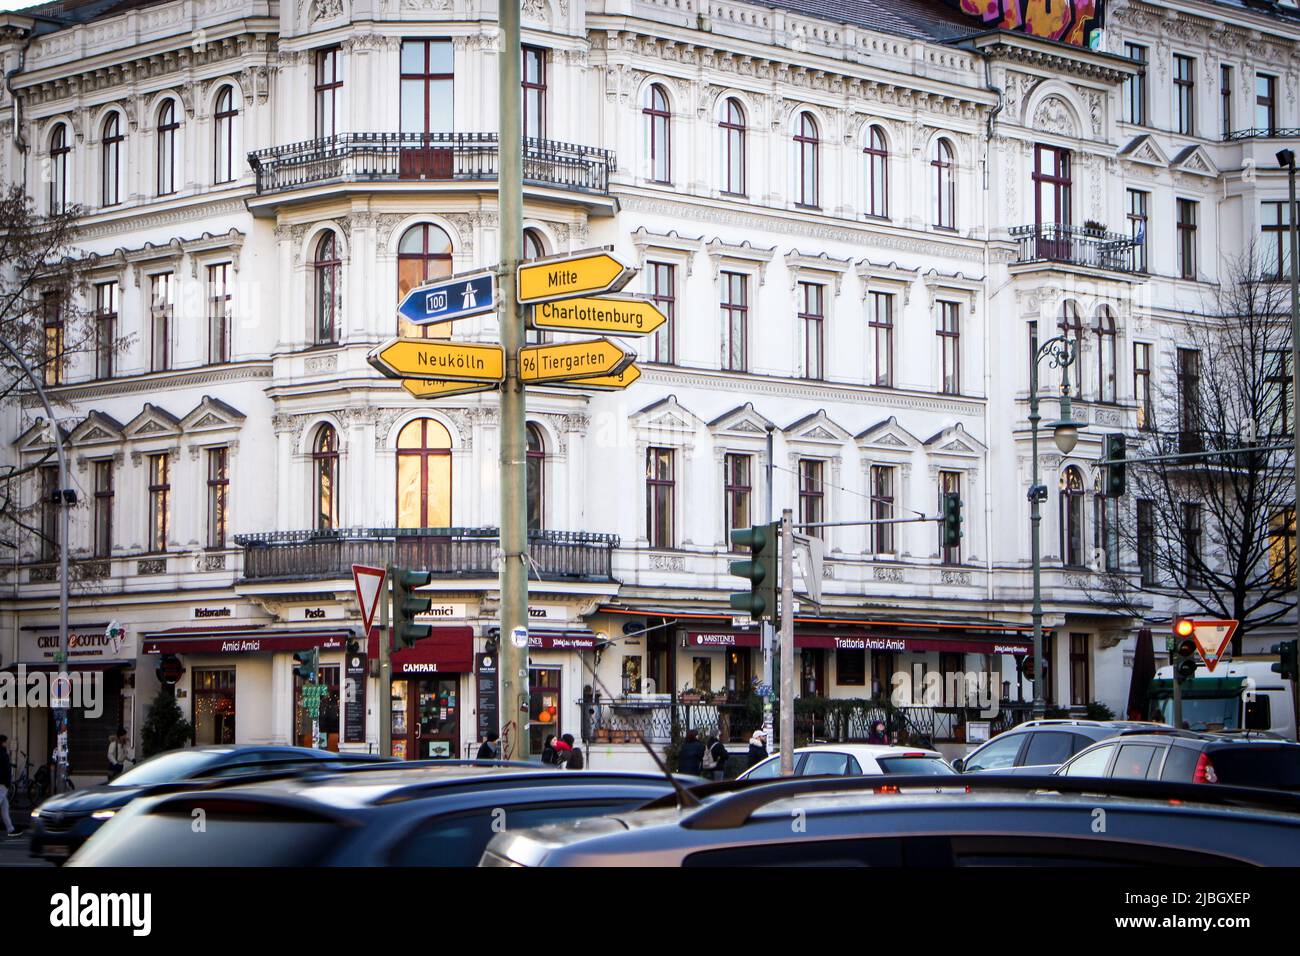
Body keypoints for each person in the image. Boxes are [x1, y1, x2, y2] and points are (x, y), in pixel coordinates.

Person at [0, 735, 18, 837]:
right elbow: (7, 769)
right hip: (2, 784)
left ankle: (10, 829)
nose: (6, 743)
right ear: (2, 742)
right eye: (5, 742)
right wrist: (8, 782)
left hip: (2, 783)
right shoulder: (3, 754)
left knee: (5, 807)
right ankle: (10, 829)